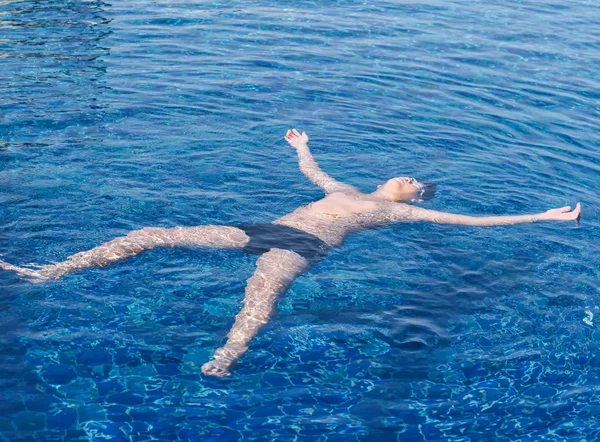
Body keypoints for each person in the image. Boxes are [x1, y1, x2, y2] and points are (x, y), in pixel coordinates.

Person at [0, 129, 581, 377]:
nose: (406, 176)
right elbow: (314, 172)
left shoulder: (401, 210)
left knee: (260, 296)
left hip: (305, 244)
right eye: (407, 175)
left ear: (413, 196)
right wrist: (303, 147)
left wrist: (541, 214)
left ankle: (227, 356)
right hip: (264, 227)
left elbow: (476, 220)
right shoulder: (347, 190)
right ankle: (51, 271)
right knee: (155, 233)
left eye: (413, 180)